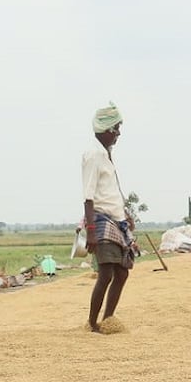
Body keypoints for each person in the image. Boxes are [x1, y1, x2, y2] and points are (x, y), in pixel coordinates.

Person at [82, 102, 136, 332]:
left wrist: (126, 214)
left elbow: (110, 191)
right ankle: (93, 324)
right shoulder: (94, 155)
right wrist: (91, 231)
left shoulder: (106, 155)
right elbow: (88, 196)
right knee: (105, 273)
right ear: (106, 130)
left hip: (116, 219)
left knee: (121, 273)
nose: (118, 134)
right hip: (101, 220)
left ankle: (108, 320)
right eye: (116, 129)